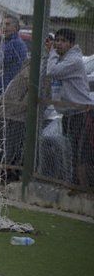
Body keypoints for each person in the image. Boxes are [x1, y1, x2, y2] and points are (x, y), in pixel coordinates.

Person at [46, 28, 94, 185]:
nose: (58, 44)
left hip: (81, 113)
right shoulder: (62, 58)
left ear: (71, 44)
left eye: (62, 41)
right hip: (69, 114)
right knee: (72, 152)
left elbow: (52, 71)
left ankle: (83, 189)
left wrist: (52, 51)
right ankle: (75, 185)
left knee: (82, 155)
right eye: (57, 40)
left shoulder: (73, 60)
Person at [0, 14, 28, 95]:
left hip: (9, 90)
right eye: (2, 24)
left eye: (7, 24)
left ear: (16, 28)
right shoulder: (6, 42)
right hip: (4, 88)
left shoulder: (14, 43)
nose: (3, 27)